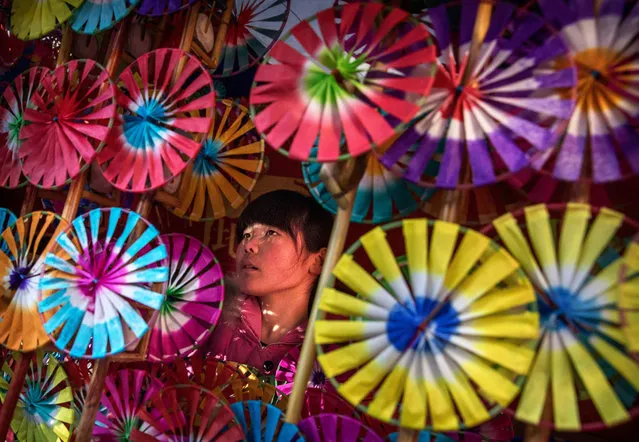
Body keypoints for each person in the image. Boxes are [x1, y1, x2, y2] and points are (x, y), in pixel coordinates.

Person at [205, 190, 333, 374]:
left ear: (318, 261)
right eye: (247, 235)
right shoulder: (209, 314)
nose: (248, 245)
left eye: (271, 233)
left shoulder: (332, 349)